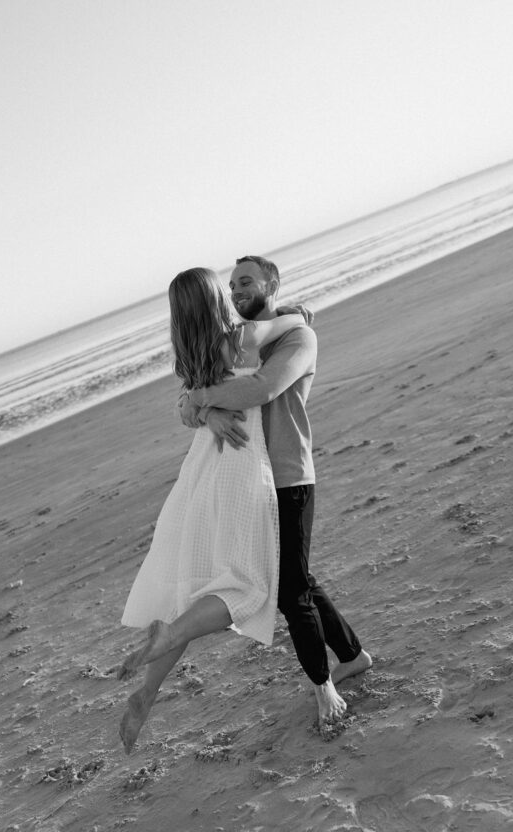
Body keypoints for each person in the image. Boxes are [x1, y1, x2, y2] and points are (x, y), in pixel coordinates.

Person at [116, 267, 308, 753]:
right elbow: (293, 325)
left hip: (198, 475)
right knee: (247, 588)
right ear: (214, 299)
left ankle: (147, 692)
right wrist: (297, 314)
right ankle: (173, 633)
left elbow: (186, 406)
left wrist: (202, 409)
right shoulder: (240, 339)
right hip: (242, 469)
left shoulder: (190, 354)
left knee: (191, 590)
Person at [180, 255, 372, 731]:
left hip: (288, 476)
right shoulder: (236, 341)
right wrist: (202, 409)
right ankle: (352, 655)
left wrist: (203, 401)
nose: (236, 290)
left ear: (272, 283)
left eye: (246, 281)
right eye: (231, 286)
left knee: (289, 591)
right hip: (248, 481)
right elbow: (186, 398)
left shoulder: (297, 337)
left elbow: (261, 390)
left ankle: (322, 685)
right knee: (298, 579)